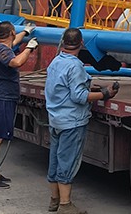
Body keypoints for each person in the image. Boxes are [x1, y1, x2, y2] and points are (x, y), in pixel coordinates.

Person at [45, 28, 119, 214]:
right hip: (72, 121)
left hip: (56, 119)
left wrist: (88, 88)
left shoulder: (55, 62)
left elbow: (61, 88)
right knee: (67, 162)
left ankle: (54, 200)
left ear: (63, 42)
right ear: (82, 43)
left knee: (55, 160)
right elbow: (78, 96)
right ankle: (65, 205)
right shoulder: (75, 66)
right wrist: (105, 93)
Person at [0, 21, 37, 188]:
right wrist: (29, 48)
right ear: (12, 33)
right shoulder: (2, 51)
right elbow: (16, 62)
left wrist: (26, 33)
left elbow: (14, 42)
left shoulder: (1, 47)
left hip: (2, 98)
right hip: (1, 99)